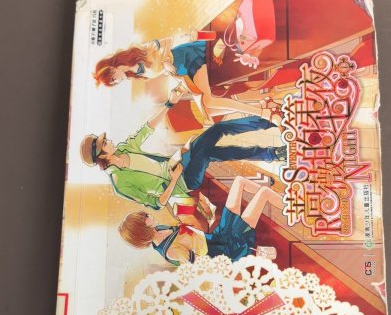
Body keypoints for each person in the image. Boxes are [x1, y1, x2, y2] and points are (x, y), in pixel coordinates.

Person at [80, 91, 286, 211]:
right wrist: (173, 179)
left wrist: (169, 103)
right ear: (102, 156)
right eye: (105, 143)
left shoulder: (124, 149)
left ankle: (269, 120)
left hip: (177, 162)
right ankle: (272, 154)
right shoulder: (120, 183)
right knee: (207, 153)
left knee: (217, 129)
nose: (109, 141)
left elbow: (146, 129)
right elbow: (157, 204)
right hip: (182, 181)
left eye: (105, 139)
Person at [91, 37, 281, 123]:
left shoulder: (138, 52)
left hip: (188, 56)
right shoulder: (137, 75)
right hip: (182, 73)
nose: (117, 81)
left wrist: (165, 60)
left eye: (113, 78)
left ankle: (263, 112)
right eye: (114, 83)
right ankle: (259, 107)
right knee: (208, 111)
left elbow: (167, 41)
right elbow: (168, 72)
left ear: (113, 67)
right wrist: (179, 83)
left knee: (209, 102)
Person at [118, 176, 281, 265]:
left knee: (239, 181)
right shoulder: (170, 251)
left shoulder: (159, 229)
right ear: (142, 230)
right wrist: (250, 253)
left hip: (219, 236)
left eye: (144, 215)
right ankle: (290, 203)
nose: (147, 215)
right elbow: (204, 265)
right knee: (264, 193)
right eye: (144, 218)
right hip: (226, 249)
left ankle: (280, 197)